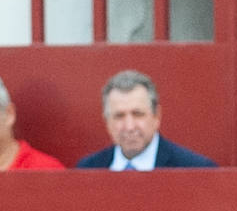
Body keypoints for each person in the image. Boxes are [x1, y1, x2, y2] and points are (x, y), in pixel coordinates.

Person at [76, 70, 217, 170]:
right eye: (119, 116)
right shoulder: (88, 169)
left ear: (156, 116)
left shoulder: (194, 169)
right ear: (107, 122)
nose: (129, 126)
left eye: (138, 114)